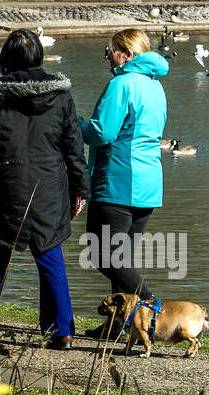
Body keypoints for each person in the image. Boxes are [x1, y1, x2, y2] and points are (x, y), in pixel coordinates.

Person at [0, 29, 89, 350]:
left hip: (2, 188)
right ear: (39, 57)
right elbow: (73, 145)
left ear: (6, 58)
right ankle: (61, 332)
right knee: (50, 258)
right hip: (48, 189)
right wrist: (80, 189)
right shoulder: (61, 96)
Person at [77, 29, 169, 339]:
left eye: (110, 51)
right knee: (121, 259)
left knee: (102, 255)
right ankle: (116, 327)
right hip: (148, 185)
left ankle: (154, 306)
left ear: (125, 54)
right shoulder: (156, 87)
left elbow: (102, 133)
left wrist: (73, 124)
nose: (108, 57)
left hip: (118, 182)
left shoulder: (121, 84)